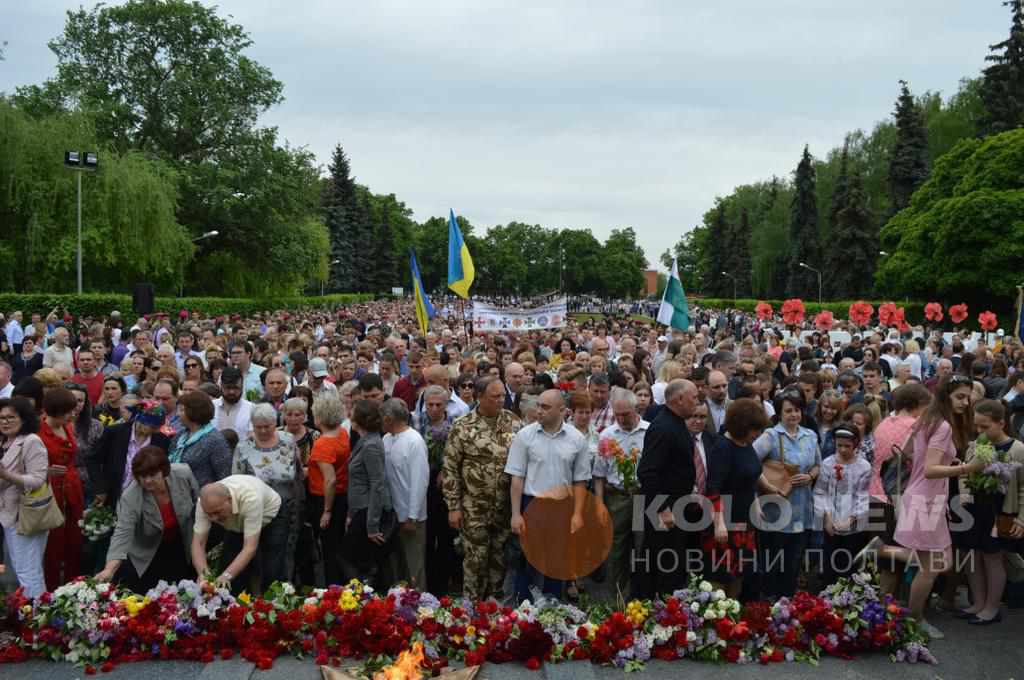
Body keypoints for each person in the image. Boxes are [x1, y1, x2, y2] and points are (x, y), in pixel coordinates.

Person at [890, 374, 985, 640]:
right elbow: (931, 470)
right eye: (960, 397)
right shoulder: (941, 426)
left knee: (940, 561)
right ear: (945, 396)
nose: (966, 403)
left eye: (968, 397)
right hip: (925, 500)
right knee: (932, 567)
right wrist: (967, 467)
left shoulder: (928, 420)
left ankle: (883, 550)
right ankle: (916, 620)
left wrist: (946, 464)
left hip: (923, 497)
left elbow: (910, 454)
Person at [506, 389, 591, 602]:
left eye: (545, 407)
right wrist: (516, 514)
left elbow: (580, 480)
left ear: (562, 410)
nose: (539, 411)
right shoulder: (525, 436)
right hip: (531, 504)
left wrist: (578, 514)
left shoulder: (576, 439)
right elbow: (516, 477)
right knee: (526, 562)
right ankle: (521, 609)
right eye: (538, 406)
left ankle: (553, 612)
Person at [442, 376, 522, 601]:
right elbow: (450, 469)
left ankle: (496, 612)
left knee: (500, 561)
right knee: (475, 561)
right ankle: (471, 611)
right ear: (479, 397)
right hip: (474, 508)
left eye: (502, 396)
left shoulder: (514, 423)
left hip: (505, 508)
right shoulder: (463, 426)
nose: (500, 400)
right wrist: (453, 507)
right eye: (494, 396)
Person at [95, 447, 199, 592]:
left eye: (152, 475)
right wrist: (109, 570)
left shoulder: (183, 473)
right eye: (142, 476)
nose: (148, 481)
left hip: (181, 543)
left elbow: (198, 504)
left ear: (164, 471)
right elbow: (122, 533)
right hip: (148, 551)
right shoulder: (130, 496)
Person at [959, 399, 1024, 625]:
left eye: (985, 426)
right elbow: (965, 472)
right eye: (977, 426)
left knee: (993, 557)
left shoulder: (1017, 448)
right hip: (976, 507)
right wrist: (964, 491)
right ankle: (978, 602)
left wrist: (1022, 519)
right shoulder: (979, 444)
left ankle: (991, 607)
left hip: (1001, 510)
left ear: (1001, 423)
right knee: (972, 555)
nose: (980, 431)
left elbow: (1023, 487)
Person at [635, 379, 701, 597]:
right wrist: (662, 509)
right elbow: (647, 472)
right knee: (661, 566)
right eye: (694, 397)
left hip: (678, 506)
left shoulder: (676, 423)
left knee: (672, 566)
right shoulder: (663, 427)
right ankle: (656, 616)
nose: (697, 402)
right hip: (664, 511)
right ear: (679, 399)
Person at [754, 389, 821, 599]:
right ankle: (767, 602)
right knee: (773, 560)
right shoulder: (771, 436)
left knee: (793, 562)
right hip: (777, 506)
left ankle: (787, 603)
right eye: (788, 411)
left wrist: (810, 476)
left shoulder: (810, 435)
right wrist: (768, 485)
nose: (794, 415)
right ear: (780, 413)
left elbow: (818, 464)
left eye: (797, 410)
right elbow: (750, 462)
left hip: (802, 508)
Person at [232, 403, 304, 589]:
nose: (263, 431)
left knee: (277, 554)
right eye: (258, 427)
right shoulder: (243, 447)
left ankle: (274, 592)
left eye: (268, 426)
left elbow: (297, 474)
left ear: (275, 423)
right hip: (255, 509)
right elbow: (236, 480)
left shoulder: (288, 440)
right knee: (254, 553)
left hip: (283, 507)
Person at [704, 398, 770, 598]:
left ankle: (734, 619)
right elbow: (713, 488)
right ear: (742, 426)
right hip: (724, 521)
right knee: (720, 575)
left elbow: (750, 478)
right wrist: (719, 523)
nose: (757, 435)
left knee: (740, 573)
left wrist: (756, 504)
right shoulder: (722, 447)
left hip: (745, 521)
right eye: (755, 430)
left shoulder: (746, 444)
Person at [594, 387, 648, 598]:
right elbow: (599, 474)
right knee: (616, 550)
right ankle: (618, 597)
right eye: (617, 415)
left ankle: (642, 595)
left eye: (626, 414)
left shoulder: (649, 431)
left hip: (642, 496)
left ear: (635, 409)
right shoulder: (607, 435)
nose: (622, 419)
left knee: (643, 547)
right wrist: (599, 503)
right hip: (617, 497)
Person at [191, 475, 284, 593]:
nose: (213, 518)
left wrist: (226, 576)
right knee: (228, 570)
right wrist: (203, 574)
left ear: (229, 499)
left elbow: (250, 548)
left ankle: (271, 605)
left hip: (271, 515)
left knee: (271, 570)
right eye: (209, 514)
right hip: (237, 522)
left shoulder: (251, 498)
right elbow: (198, 543)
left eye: (217, 512)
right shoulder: (204, 504)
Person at [0, 396, 49, 597]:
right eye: (1, 418)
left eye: (11, 417)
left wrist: (7, 475)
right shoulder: (3, 441)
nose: (5, 421)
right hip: (5, 516)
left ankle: (38, 622)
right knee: (14, 573)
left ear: (24, 419)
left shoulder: (31, 441)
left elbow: (38, 479)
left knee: (28, 573)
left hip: (26, 516)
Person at [342, 399, 395, 584]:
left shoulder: (371, 444)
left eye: (353, 411)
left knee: (351, 560)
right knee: (355, 560)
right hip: (359, 509)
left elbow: (377, 484)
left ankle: (365, 597)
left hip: (367, 511)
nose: (349, 414)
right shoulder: (364, 440)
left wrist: (372, 525)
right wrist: (350, 513)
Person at [38, 387, 85, 589]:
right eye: (67, 411)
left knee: (74, 541)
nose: (72, 414)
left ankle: (73, 587)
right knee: (53, 546)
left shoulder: (67, 427)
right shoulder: (38, 432)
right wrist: (46, 471)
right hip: (51, 491)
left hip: (72, 488)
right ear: (54, 411)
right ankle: (51, 590)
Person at [813, 424, 872, 585]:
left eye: (847, 446)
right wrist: (827, 518)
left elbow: (862, 496)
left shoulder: (863, 467)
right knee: (830, 564)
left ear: (856, 445)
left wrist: (851, 519)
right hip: (831, 523)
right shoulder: (827, 464)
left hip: (852, 526)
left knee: (848, 566)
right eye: (839, 445)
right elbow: (820, 492)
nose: (843, 450)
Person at [382, 399, 430, 589]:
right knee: (396, 566)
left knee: (413, 567)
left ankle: (420, 608)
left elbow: (419, 482)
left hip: (411, 517)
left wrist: (412, 516)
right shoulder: (386, 439)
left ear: (388, 419)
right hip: (392, 515)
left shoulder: (414, 441)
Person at [303, 393, 349, 586]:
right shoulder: (343, 433)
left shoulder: (323, 444)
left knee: (329, 550)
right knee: (338, 547)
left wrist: (326, 511)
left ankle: (333, 589)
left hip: (326, 499)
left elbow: (329, 480)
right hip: (342, 495)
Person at [89, 401, 170, 508]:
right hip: (112, 495)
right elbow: (92, 460)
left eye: (155, 427)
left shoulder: (162, 440)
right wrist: (100, 488)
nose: (153, 429)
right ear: (138, 419)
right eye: (149, 425)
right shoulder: (114, 432)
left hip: (144, 499)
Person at [169, 390, 232, 487]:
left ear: (194, 411)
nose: (177, 414)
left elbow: (224, 476)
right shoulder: (179, 436)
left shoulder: (215, 440)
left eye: (182, 410)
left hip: (203, 497)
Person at [214, 366, 254, 439]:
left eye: (236, 388)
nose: (231, 392)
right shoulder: (211, 407)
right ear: (221, 386)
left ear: (242, 386)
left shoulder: (252, 409)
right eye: (228, 387)